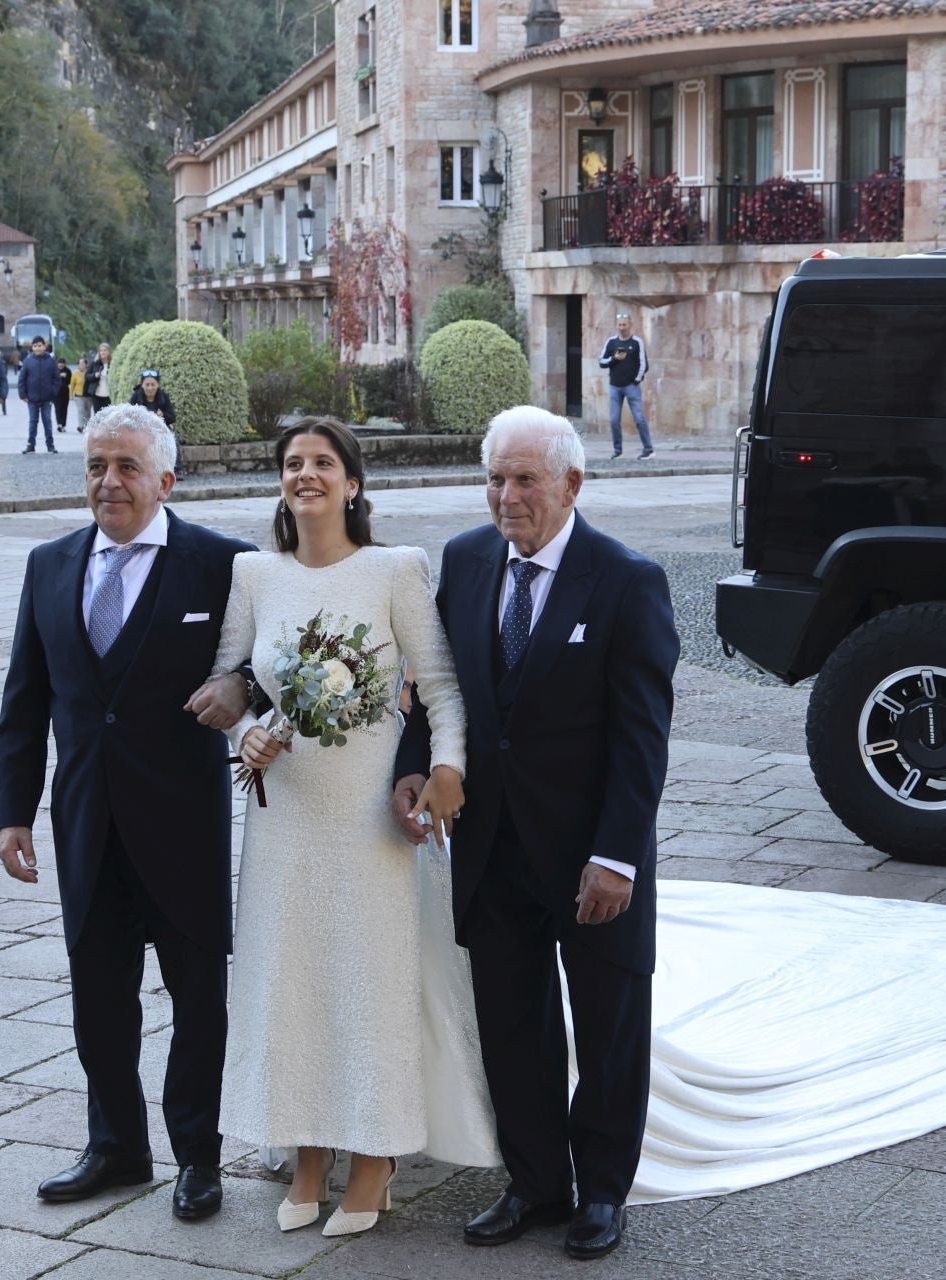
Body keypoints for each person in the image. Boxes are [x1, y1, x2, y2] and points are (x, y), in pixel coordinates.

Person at [393, 405, 678, 1259]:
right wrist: (416, 762)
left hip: (592, 854)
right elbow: (441, 685)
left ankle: (602, 1195)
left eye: (524, 480)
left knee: (606, 1023)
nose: (506, 497)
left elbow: (641, 739)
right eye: (495, 479)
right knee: (513, 1025)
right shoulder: (467, 560)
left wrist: (617, 855)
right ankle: (535, 1184)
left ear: (571, 485)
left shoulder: (627, 580)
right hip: (490, 847)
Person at [211, 417, 482, 1240]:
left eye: (323, 462)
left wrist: (448, 768)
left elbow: (441, 688)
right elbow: (229, 681)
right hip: (284, 822)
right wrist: (241, 733)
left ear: (353, 483)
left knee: (368, 987)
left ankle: (374, 1160)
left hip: (370, 823)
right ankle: (306, 1153)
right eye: (293, 463)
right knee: (290, 984)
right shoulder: (253, 574)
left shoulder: (395, 571)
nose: (306, 475)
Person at [0, 405, 261, 1223]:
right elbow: (26, 698)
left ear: (166, 481)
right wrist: (15, 812)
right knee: (98, 996)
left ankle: (198, 1157)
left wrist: (242, 684)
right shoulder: (49, 565)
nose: (108, 482)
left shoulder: (224, 565)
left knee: (197, 1001)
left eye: (127, 468)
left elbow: (271, 659)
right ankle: (114, 1144)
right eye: (96, 466)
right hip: (87, 824)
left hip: (180, 822)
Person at [598, 312, 653, 460]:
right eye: (620, 325)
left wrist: (636, 380)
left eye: (625, 324)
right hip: (614, 386)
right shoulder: (611, 342)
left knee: (639, 418)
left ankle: (648, 449)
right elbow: (601, 362)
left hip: (631, 386)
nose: (622, 328)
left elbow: (644, 364)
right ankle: (617, 450)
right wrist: (614, 359)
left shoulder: (636, 342)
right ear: (617, 326)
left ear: (630, 325)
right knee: (614, 419)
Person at [18, 336, 62, 453]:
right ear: (32, 347)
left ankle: (50, 445)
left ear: (44, 346)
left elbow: (57, 379)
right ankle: (31, 445)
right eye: (35, 346)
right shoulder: (28, 361)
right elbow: (22, 379)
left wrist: (53, 392)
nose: (37, 348)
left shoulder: (51, 361)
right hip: (31, 399)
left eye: (40, 345)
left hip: (47, 399)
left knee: (47, 421)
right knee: (33, 422)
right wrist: (23, 395)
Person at [86, 342, 113, 415]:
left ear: (109, 352)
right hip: (97, 395)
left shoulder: (113, 363)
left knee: (109, 417)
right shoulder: (95, 363)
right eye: (101, 350)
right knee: (98, 417)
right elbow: (86, 377)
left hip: (109, 396)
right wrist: (94, 375)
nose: (103, 352)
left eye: (105, 350)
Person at [54, 352, 75, 433]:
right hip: (56, 393)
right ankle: (59, 424)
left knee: (64, 409)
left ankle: (63, 425)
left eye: (62, 363)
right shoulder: (55, 371)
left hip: (65, 392)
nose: (61, 365)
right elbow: (52, 380)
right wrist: (60, 376)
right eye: (59, 363)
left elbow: (70, 381)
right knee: (57, 409)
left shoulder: (68, 371)